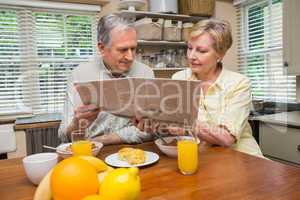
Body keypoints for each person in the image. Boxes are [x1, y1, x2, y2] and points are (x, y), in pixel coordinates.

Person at [136, 19, 263, 157]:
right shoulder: (178, 78)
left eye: (201, 51)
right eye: (190, 48)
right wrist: (154, 124)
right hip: (200, 157)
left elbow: (226, 138)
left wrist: (184, 123)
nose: (191, 56)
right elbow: (173, 128)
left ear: (220, 54)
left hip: (242, 157)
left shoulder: (239, 83)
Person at [58, 14, 155, 145]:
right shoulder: (79, 75)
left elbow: (149, 131)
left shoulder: (145, 73)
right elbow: (64, 136)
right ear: (102, 48)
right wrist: (77, 124)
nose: (130, 57)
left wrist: (102, 140)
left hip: (132, 152)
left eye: (133, 48)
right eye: (123, 50)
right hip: (90, 152)